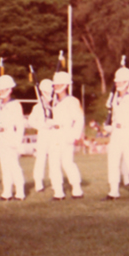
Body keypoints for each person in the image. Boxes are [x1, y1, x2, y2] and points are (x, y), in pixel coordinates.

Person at [47, 71, 84, 200]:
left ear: (66, 85)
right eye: (55, 84)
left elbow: (79, 119)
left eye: (59, 84)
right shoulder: (53, 102)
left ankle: (77, 189)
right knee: (53, 163)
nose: (56, 86)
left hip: (66, 133)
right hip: (54, 134)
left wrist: (75, 136)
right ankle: (58, 191)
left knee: (67, 163)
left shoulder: (71, 101)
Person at [0, 75, 26, 200]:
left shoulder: (15, 104)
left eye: (4, 90)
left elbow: (20, 125)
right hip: (3, 137)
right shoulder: (0, 104)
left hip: (12, 136)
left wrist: (17, 141)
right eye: (0, 90)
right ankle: (7, 192)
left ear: (10, 90)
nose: (1, 92)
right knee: (4, 167)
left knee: (14, 165)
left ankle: (20, 192)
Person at [28, 78, 54, 193]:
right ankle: (38, 183)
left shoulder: (56, 105)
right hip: (43, 135)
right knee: (41, 159)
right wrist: (42, 126)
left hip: (54, 135)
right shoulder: (38, 107)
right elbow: (31, 121)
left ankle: (55, 181)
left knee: (54, 159)